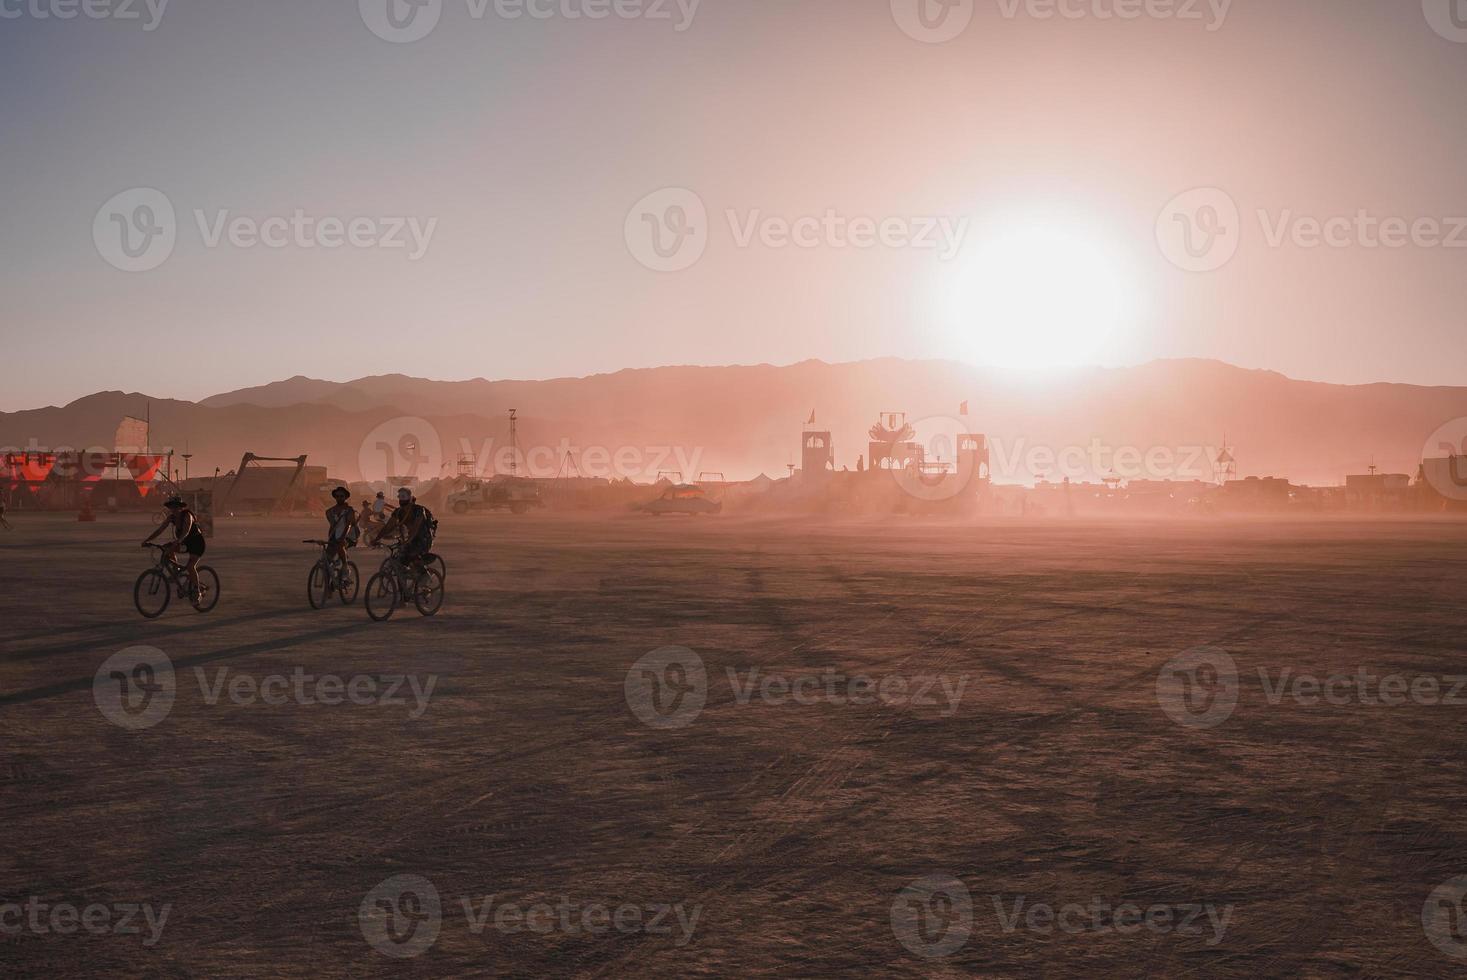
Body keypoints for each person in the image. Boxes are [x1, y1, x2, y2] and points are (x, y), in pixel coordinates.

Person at [142, 496, 206, 597]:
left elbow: (187, 530)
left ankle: (197, 591)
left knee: (190, 567)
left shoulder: (187, 515)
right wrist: (147, 540)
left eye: (176, 507)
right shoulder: (171, 517)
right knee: (167, 549)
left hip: (197, 543)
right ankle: (177, 572)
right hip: (185, 543)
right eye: (172, 507)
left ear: (181, 507)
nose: (174, 509)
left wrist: (178, 541)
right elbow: (160, 530)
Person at [372, 487, 431, 570]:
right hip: (411, 539)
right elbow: (388, 527)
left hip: (423, 539)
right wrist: (377, 539)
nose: (401, 500)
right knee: (399, 558)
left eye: (404, 496)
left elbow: (415, 528)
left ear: (409, 498)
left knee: (413, 556)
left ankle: (424, 574)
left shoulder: (419, 510)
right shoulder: (398, 512)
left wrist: (407, 541)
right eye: (400, 497)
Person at [324, 487, 359, 569]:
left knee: (340, 546)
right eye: (337, 496)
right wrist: (329, 539)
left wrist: (342, 537)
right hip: (336, 536)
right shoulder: (330, 511)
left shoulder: (349, 510)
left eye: (341, 496)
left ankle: (345, 567)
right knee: (327, 559)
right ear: (335, 497)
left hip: (348, 536)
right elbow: (332, 526)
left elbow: (348, 525)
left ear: (345, 497)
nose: (339, 498)